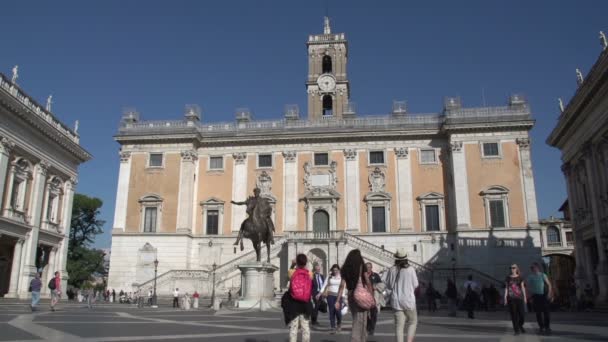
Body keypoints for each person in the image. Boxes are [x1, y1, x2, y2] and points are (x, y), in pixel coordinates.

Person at [336, 249, 372, 342]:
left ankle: (360, 339)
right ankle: (357, 339)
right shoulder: (361, 267)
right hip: (362, 295)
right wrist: (371, 295)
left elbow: (341, 285)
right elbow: (367, 281)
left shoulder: (345, 268)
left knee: (356, 318)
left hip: (351, 295)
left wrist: (337, 300)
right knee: (362, 321)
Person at [383, 249, 419, 342]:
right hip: (408, 300)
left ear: (396, 258)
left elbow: (389, 285)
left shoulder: (391, 269)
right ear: (406, 258)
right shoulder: (411, 269)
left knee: (399, 326)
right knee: (412, 322)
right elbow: (416, 284)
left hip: (396, 300)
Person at [281, 253, 313, 342]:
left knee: (293, 327)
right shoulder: (310, 273)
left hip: (294, 303)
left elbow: (288, 275)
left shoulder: (292, 272)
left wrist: (292, 264)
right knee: (305, 327)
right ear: (306, 262)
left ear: (297, 262)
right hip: (305, 303)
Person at [527, 262, 553, 335]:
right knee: (538, 313)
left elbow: (549, 284)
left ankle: (547, 326)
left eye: (534, 267)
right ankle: (541, 327)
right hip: (535, 296)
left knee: (546, 312)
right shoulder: (530, 277)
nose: (532, 269)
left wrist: (549, 293)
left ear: (537, 268)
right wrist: (529, 297)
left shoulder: (543, 275)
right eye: (531, 268)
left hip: (544, 296)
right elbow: (528, 287)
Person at [319, 264, 344, 334]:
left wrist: (343, 296)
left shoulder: (342, 277)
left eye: (336, 270)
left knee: (338, 311)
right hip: (330, 296)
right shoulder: (330, 276)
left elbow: (343, 287)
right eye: (334, 270)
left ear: (339, 270)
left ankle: (339, 323)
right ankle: (332, 327)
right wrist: (320, 293)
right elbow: (324, 285)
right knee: (331, 311)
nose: (335, 271)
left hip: (338, 296)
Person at [504, 264, 527, 335]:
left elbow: (523, 287)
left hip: (519, 298)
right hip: (511, 298)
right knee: (514, 315)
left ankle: (520, 325)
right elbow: (506, 288)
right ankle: (516, 330)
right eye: (510, 268)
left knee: (522, 315)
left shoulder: (520, 277)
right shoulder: (508, 278)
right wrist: (505, 298)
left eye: (513, 268)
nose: (512, 269)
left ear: (517, 269)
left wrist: (525, 297)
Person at [365, 262, 382, 336]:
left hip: (374, 297)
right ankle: (368, 326)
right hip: (364, 297)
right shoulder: (363, 276)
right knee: (365, 313)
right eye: (366, 267)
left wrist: (376, 287)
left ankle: (372, 328)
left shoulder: (375, 275)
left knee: (374, 313)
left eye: (369, 267)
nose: (368, 269)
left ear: (371, 268)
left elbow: (381, 285)